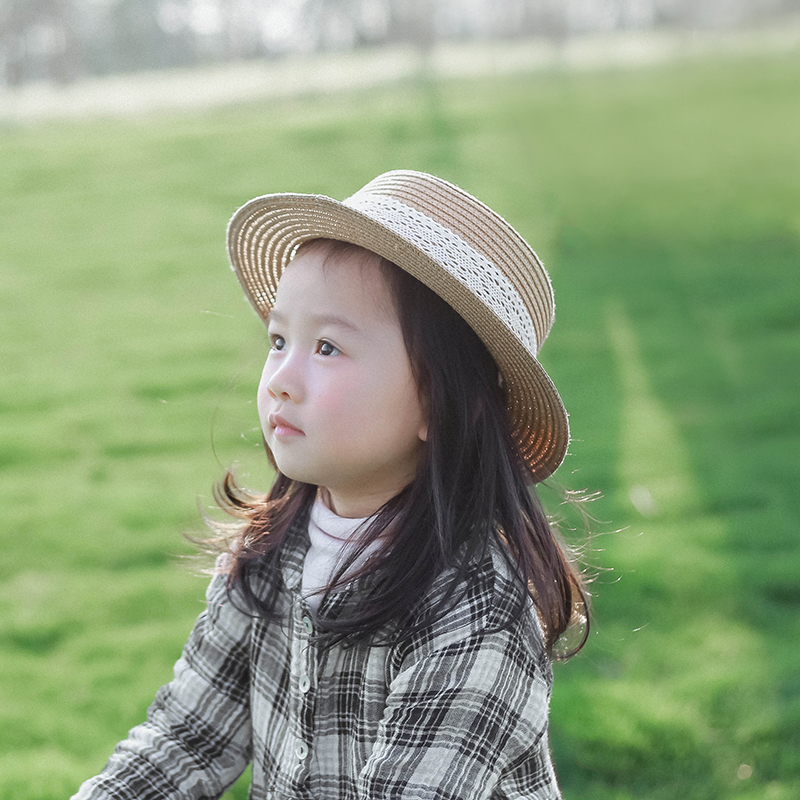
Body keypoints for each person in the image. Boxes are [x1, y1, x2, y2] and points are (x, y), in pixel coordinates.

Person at [72, 169, 589, 800]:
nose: (280, 380)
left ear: (440, 403)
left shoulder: (477, 612)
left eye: (326, 348)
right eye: (279, 340)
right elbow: (186, 739)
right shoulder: (270, 551)